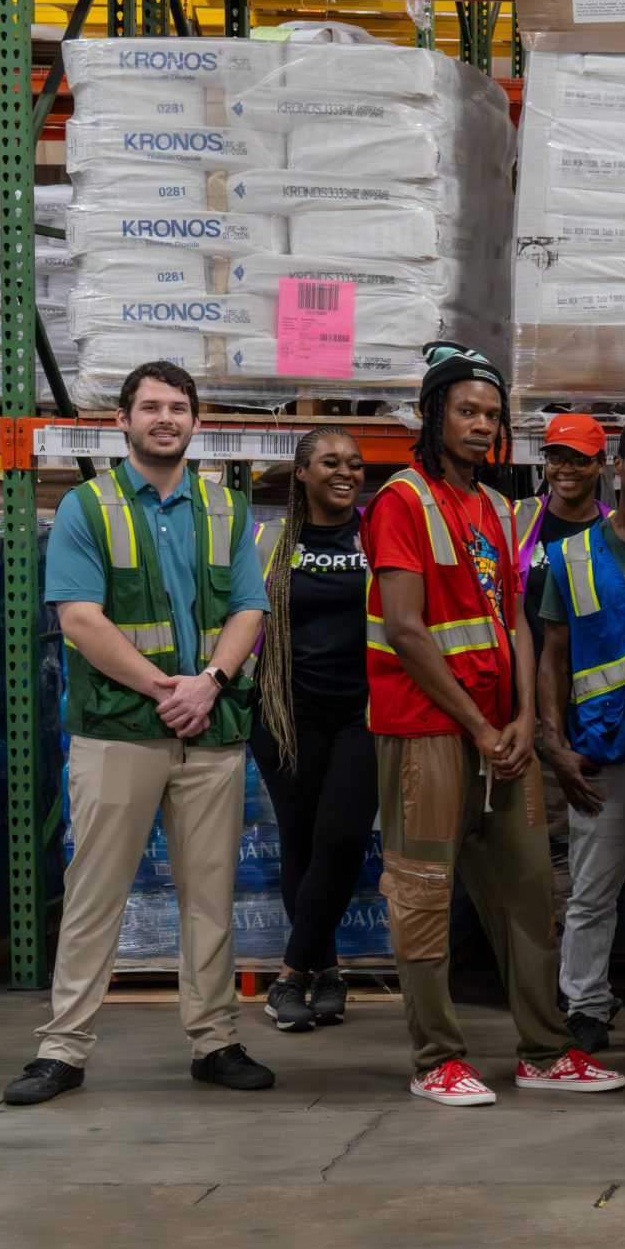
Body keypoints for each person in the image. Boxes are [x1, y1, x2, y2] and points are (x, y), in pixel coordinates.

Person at [6, 360, 274, 1106]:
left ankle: (215, 1039)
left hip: (209, 729)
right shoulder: (86, 508)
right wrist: (166, 687)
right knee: (95, 892)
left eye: (178, 407)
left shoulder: (224, 508)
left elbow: (249, 610)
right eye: (150, 407)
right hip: (120, 729)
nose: (165, 418)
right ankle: (63, 1050)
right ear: (121, 420)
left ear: (196, 421)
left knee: (209, 895)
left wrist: (209, 684)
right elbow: (79, 619)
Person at [366, 344, 623, 1106]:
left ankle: (545, 1049)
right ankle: (436, 1058)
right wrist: (481, 725)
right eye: (468, 411)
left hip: (498, 733)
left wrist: (519, 718)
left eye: (492, 415)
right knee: (421, 897)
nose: (482, 426)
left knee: (526, 889)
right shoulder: (401, 502)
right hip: (425, 731)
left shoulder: (495, 507)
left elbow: (512, 617)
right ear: (433, 414)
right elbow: (409, 630)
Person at [535, 414, 625, 1058]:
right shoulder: (570, 555)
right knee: (592, 894)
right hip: (603, 756)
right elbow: (553, 657)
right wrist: (553, 741)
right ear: (616, 468)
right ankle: (587, 1005)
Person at [251, 427, 375, 1036]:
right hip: (284, 712)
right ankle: (327, 974)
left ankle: (288, 976)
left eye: (354, 463)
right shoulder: (271, 539)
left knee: (343, 838)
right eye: (329, 462)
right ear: (302, 473)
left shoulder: (379, 532)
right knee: (300, 838)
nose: (345, 471)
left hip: (365, 712)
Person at [514, 414, 608, 658]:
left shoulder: (613, 528)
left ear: (601, 463)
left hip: (594, 681)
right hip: (526, 674)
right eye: (555, 459)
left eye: (579, 460)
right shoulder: (516, 517)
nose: (566, 470)